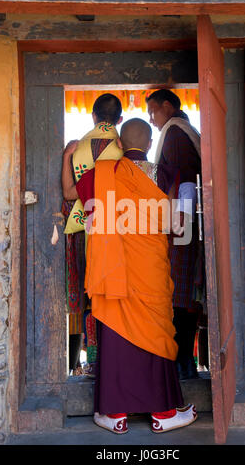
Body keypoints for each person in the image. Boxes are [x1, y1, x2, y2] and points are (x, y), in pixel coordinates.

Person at [62, 118, 197, 434]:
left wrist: (69, 156)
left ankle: (114, 415)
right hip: (150, 270)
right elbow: (179, 221)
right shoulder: (165, 175)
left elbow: (70, 193)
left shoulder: (103, 174)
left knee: (117, 338)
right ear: (150, 145)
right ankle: (163, 414)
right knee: (156, 336)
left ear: (119, 144)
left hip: (114, 271)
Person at [61, 93, 123, 377]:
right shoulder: (125, 150)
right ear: (119, 120)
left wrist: (66, 157)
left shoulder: (78, 148)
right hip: (124, 234)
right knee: (119, 300)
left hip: (88, 233)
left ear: (93, 117)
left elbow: (69, 195)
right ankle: (116, 363)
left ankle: (91, 363)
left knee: (91, 299)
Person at [146, 89, 203, 380]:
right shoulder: (182, 129)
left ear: (167, 107)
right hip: (186, 223)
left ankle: (182, 361)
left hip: (184, 224)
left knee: (180, 291)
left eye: (153, 112)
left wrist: (180, 220)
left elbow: (186, 180)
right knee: (183, 290)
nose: (152, 120)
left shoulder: (176, 134)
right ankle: (183, 361)